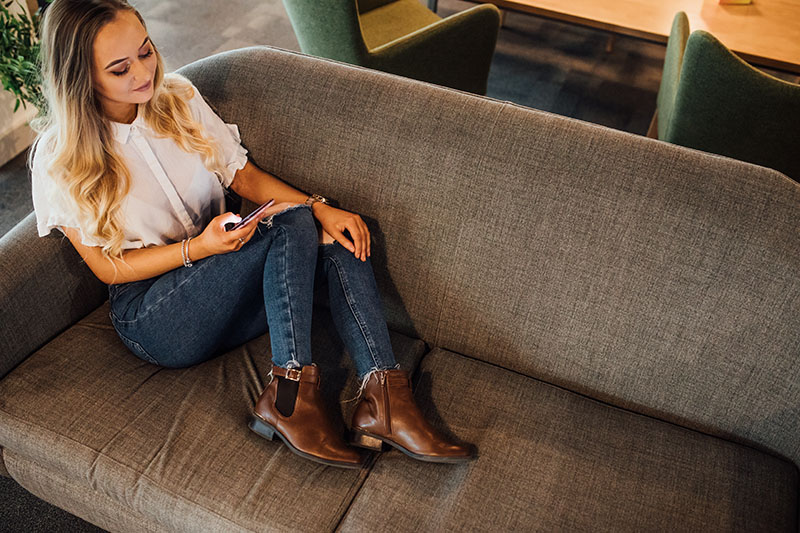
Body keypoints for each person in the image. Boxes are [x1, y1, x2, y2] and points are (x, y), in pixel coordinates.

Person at [30, 0, 475, 468]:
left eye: (146, 51)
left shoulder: (177, 98)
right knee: (292, 219)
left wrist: (320, 208)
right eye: (120, 68)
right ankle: (289, 399)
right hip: (155, 318)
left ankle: (384, 398)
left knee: (328, 229)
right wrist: (198, 248)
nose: (144, 73)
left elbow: (242, 176)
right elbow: (106, 268)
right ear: (81, 78)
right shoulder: (58, 158)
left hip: (225, 275)